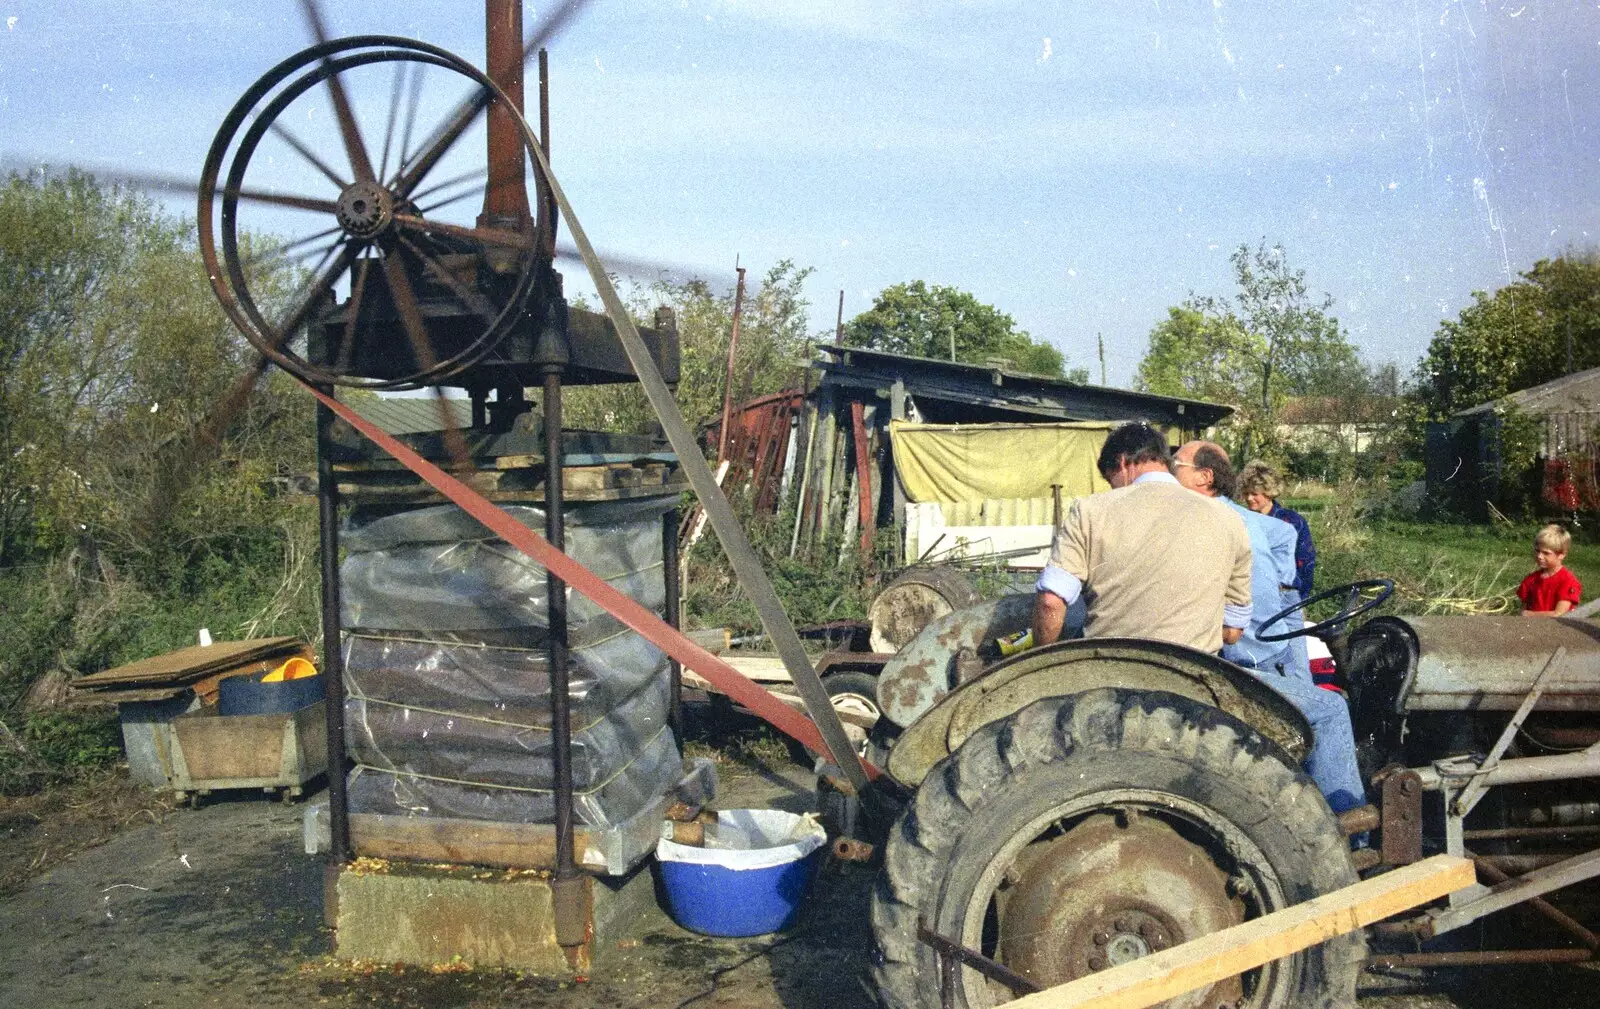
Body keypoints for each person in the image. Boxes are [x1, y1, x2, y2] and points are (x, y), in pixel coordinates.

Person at [1174, 440, 1367, 814]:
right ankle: (1351, 832)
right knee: (1329, 709)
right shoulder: (1234, 523)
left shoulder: (1249, 522)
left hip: (1247, 637)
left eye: (1175, 463)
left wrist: (1287, 587)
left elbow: (1287, 539)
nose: (1168, 470)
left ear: (1204, 477)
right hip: (1240, 657)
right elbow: (1251, 623)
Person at [1032, 423, 1253, 653]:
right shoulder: (1231, 520)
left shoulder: (1088, 511)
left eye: (1111, 480)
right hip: (1192, 673)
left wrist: (1039, 661)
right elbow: (1232, 631)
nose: (1113, 488)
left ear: (1122, 463)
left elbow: (1050, 602)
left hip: (1108, 668)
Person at [1239, 459, 1316, 596]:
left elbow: (1306, 563)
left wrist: (1298, 599)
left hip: (1286, 595)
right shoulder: (1241, 520)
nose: (1249, 498)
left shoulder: (1291, 522)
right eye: (1246, 493)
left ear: (1269, 493)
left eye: (1255, 494)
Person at [1519, 524, 1582, 618]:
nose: (1539, 556)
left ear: (1562, 555)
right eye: (1537, 551)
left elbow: (1560, 614)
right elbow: (1523, 609)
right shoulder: (1531, 580)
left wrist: (1529, 614)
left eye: (1546, 553)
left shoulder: (1568, 581)